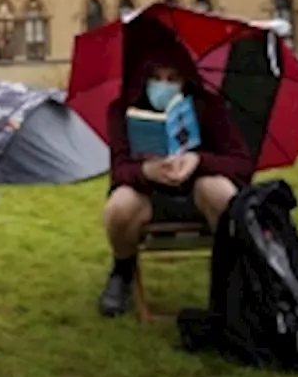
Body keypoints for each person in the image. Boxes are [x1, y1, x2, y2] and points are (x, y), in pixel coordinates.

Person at [98, 55, 254, 317]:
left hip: (197, 192)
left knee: (221, 193)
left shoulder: (209, 106)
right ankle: (122, 270)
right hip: (147, 194)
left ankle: (233, 277)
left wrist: (197, 160)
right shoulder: (123, 109)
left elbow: (242, 164)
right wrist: (147, 171)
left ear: (186, 80)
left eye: (173, 79)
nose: (163, 85)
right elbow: (120, 171)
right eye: (155, 78)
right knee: (118, 208)